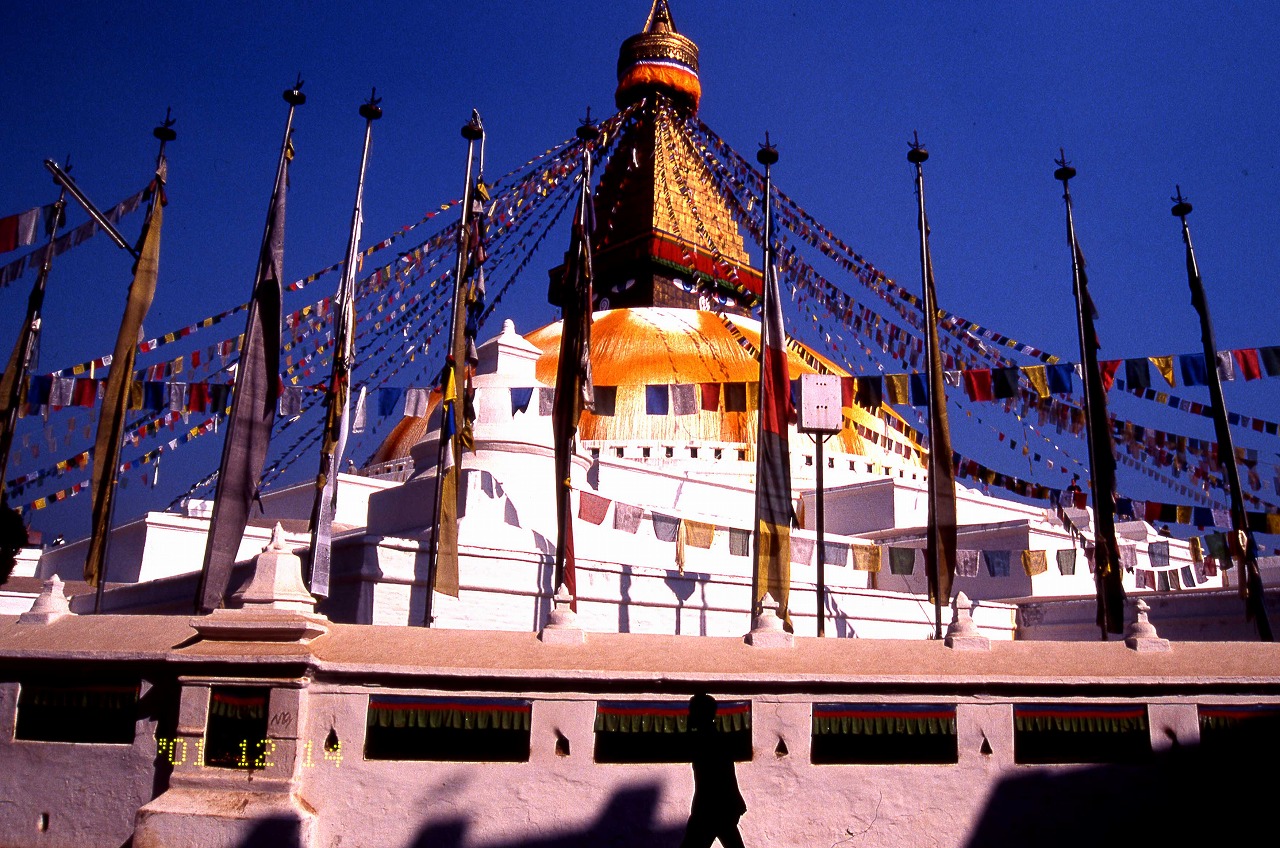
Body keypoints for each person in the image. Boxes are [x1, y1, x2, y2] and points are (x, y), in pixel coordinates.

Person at [681, 694, 747, 848]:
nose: (690, 715)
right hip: (718, 807)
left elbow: (721, 775)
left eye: (693, 711)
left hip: (710, 808)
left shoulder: (706, 740)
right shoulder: (714, 738)